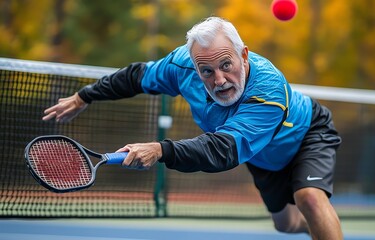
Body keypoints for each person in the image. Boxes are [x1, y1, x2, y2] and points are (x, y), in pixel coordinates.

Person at [43, 17, 343, 239]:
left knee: (310, 198)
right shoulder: (181, 65)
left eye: (227, 65)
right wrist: (85, 96)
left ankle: (319, 218)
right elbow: (136, 77)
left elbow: (222, 150)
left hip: (306, 133)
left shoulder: (268, 91)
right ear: (195, 67)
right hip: (263, 156)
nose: (220, 80)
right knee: (286, 225)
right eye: (207, 71)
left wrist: (160, 150)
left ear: (244, 55)